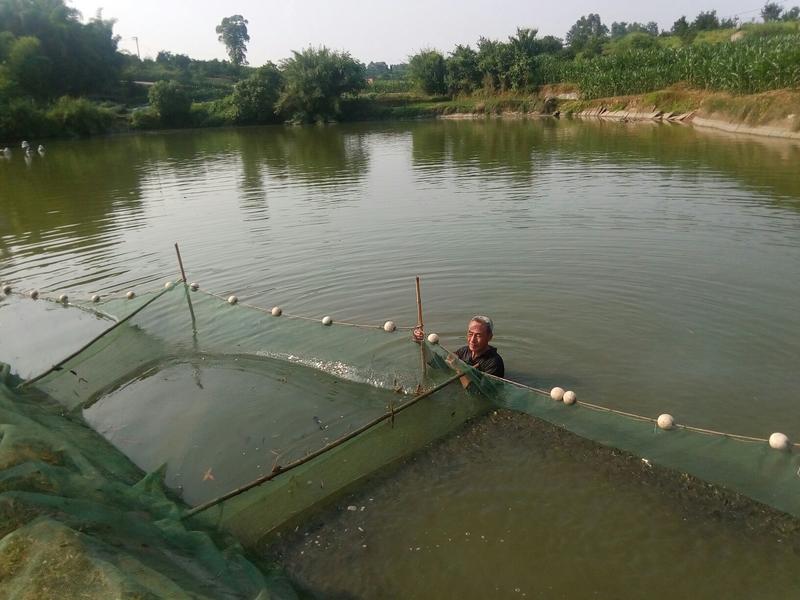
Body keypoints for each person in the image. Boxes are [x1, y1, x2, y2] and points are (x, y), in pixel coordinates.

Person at [413, 315, 504, 378]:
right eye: (470, 334)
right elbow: (438, 365)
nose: (472, 340)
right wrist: (421, 343)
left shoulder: (494, 363)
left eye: (478, 335)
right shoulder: (463, 351)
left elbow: (480, 394)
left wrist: (458, 368)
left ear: (489, 337)